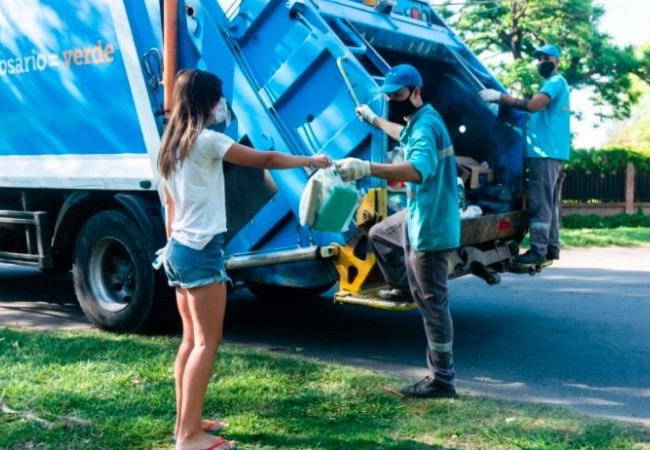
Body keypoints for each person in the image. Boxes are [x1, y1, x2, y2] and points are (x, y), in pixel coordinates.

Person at [157, 69, 331, 450]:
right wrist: (310, 160)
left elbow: (170, 204)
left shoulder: (169, 146)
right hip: (200, 250)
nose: (222, 104)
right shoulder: (207, 141)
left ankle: (186, 422)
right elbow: (264, 158)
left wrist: (175, 247)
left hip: (178, 250)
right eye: (218, 97)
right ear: (206, 101)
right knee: (208, 342)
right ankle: (188, 437)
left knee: (191, 341)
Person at [338, 64, 460, 399]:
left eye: (398, 95)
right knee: (380, 234)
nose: (393, 100)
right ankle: (404, 288)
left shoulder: (425, 127)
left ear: (416, 92)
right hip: (422, 214)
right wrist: (375, 120)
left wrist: (367, 167)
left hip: (431, 227)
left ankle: (442, 379)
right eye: (389, 96)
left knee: (433, 306)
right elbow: (403, 133)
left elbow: (418, 170)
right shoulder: (421, 120)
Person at [479, 43, 571, 265]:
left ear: (557, 62)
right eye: (539, 59)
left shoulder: (555, 83)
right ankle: (551, 248)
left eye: (546, 58)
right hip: (552, 153)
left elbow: (532, 106)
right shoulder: (554, 85)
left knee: (540, 203)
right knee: (550, 203)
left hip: (545, 154)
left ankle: (538, 250)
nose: (542, 62)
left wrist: (500, 96)